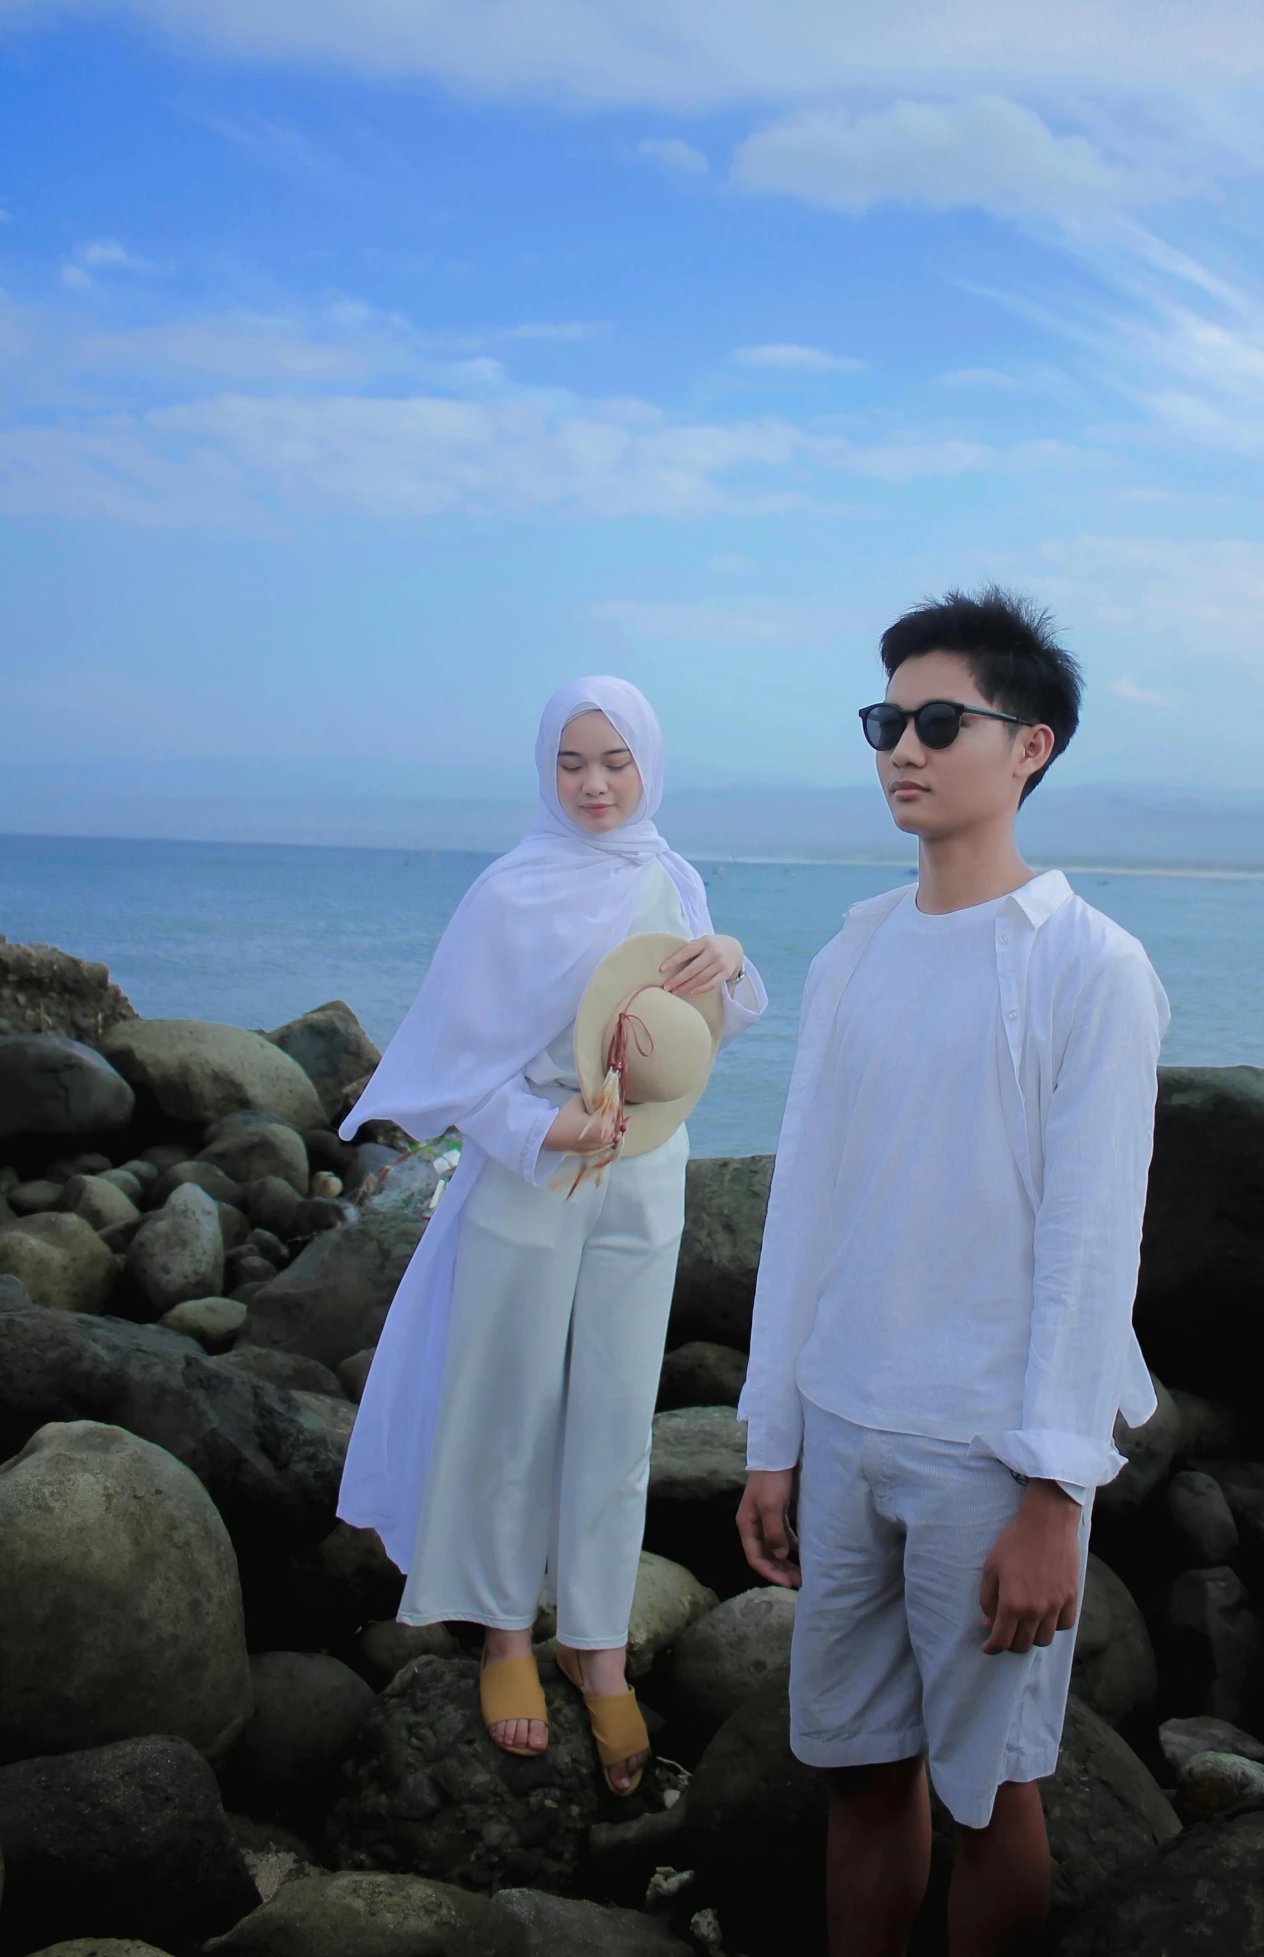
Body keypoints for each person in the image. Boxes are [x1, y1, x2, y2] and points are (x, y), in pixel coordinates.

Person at [735, 589, 1167, 1957]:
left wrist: (1053, 1486)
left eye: (934, 721)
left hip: (987, 1452)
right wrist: (772, 1433)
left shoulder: (1088, 967)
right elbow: (804, 1199)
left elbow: (1092, 1241)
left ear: (1027, 745)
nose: (898, 750)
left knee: (991, 1792)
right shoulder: (854, 949)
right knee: (860, 1767)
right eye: (883, 722)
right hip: (847, 1419)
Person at [338, 676, 766, 1794]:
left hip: (645, 1170)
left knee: (619, 1412)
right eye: (573, 761)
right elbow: (452, 1064)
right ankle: (503, 1634)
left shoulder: (669, 872)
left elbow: (693, 1029)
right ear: (545, 766)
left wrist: (730, 959)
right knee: (507, 1403)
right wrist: (543, 1127)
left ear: (649, 767)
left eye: (615, 762)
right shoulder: (508, 891)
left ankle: (598, 1638)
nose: (593, 783)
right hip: (533, 1175)